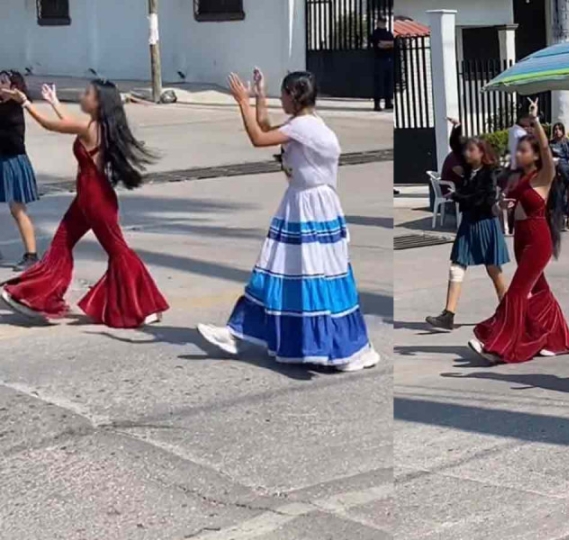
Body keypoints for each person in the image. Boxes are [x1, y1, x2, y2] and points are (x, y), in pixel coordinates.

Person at [197, 70, 380, 372]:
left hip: (311, 207)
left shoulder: (306, 127)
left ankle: (342, 348)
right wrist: (258, 96)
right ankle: (238, 332)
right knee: (279, 271)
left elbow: (258, 138)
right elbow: (268, 129)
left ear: (294, 96)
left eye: (281, 94)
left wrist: (242, 102)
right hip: (301, 203)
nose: (279, 99)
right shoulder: (302, 124)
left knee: (312, 275)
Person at [0, 80, 168, 327]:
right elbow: (69, 124)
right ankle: (37, 297)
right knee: (61, 245)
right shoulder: (95, 126)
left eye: (88, 93)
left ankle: (145, 306)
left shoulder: (91, 127)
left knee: (118, 250)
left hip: (96, 199)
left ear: (99, 103)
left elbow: (50, 125)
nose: (83, 96)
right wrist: (55, 103)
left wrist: (24, 102)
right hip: (88, 198)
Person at [469, 99, 569, 364]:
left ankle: (497, 345)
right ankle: (558, 339)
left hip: (539, 241)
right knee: (540, 291)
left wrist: (535, 120)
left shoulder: (544, 176)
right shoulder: (519, 180)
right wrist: (499, 206)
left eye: (524, 150)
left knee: (516, 292)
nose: (518, 154)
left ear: (536, 154)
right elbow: (502, 209)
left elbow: (548, 154)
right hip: (521, 240)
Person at [426, 130, 510, 331]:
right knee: (456, 266)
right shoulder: (467, 168)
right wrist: (457, 129)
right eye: (466, 150)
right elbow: (456, 146)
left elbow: (484, 200)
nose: (466, 153)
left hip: (485, 223)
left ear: (482, 153)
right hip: (468, 223)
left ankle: (509, 312)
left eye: (471, 150)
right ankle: (448, 315)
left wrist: (458, 197)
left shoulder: (489, 174)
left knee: (493, 270)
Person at [0, 70, 39, 272]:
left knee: (17, 210)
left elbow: (22, 99)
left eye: (3, 82)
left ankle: (31, 255)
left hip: (13, 162)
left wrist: (17, 95)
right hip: (2, 159)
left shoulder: (15, 106)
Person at [370, 16, 394, 112]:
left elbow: (392, 44)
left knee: (389, 82)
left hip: (389, 60)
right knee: (378, 83)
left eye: (384, 21)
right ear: (377, 22)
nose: (382, 23)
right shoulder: (375, 34)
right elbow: (380, 45)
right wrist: (388, 44)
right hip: (379, 60)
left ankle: (388, 102)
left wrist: (386, 44)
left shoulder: (389, 34)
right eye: (381, 21)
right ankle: (377, 104)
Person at [549, 122, 569, 186]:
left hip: (564, 162)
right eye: (556, 129)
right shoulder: (551, 143)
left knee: (562, 164)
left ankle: (568, 182)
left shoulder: (567, 142)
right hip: (553, 163)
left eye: (560, 129)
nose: (557, 131)